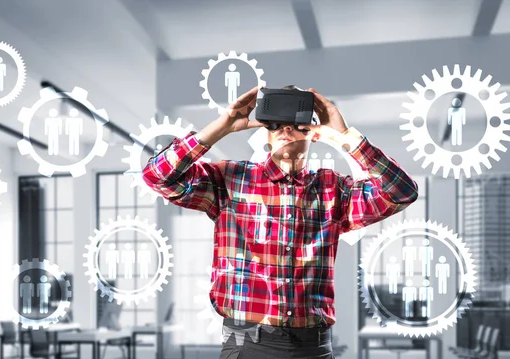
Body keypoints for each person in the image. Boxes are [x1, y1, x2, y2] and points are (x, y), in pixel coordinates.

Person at [142, 85, 418, 359]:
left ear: (312, 132)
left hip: (313, 347)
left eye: (295, 124)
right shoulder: (230, 179)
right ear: (266, 133)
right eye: (276, 125)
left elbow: (402, 192)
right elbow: (157, 176)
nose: (285, 130)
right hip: (246, 344)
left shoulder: (334, 190)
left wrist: (347, 137)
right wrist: (220, 127)